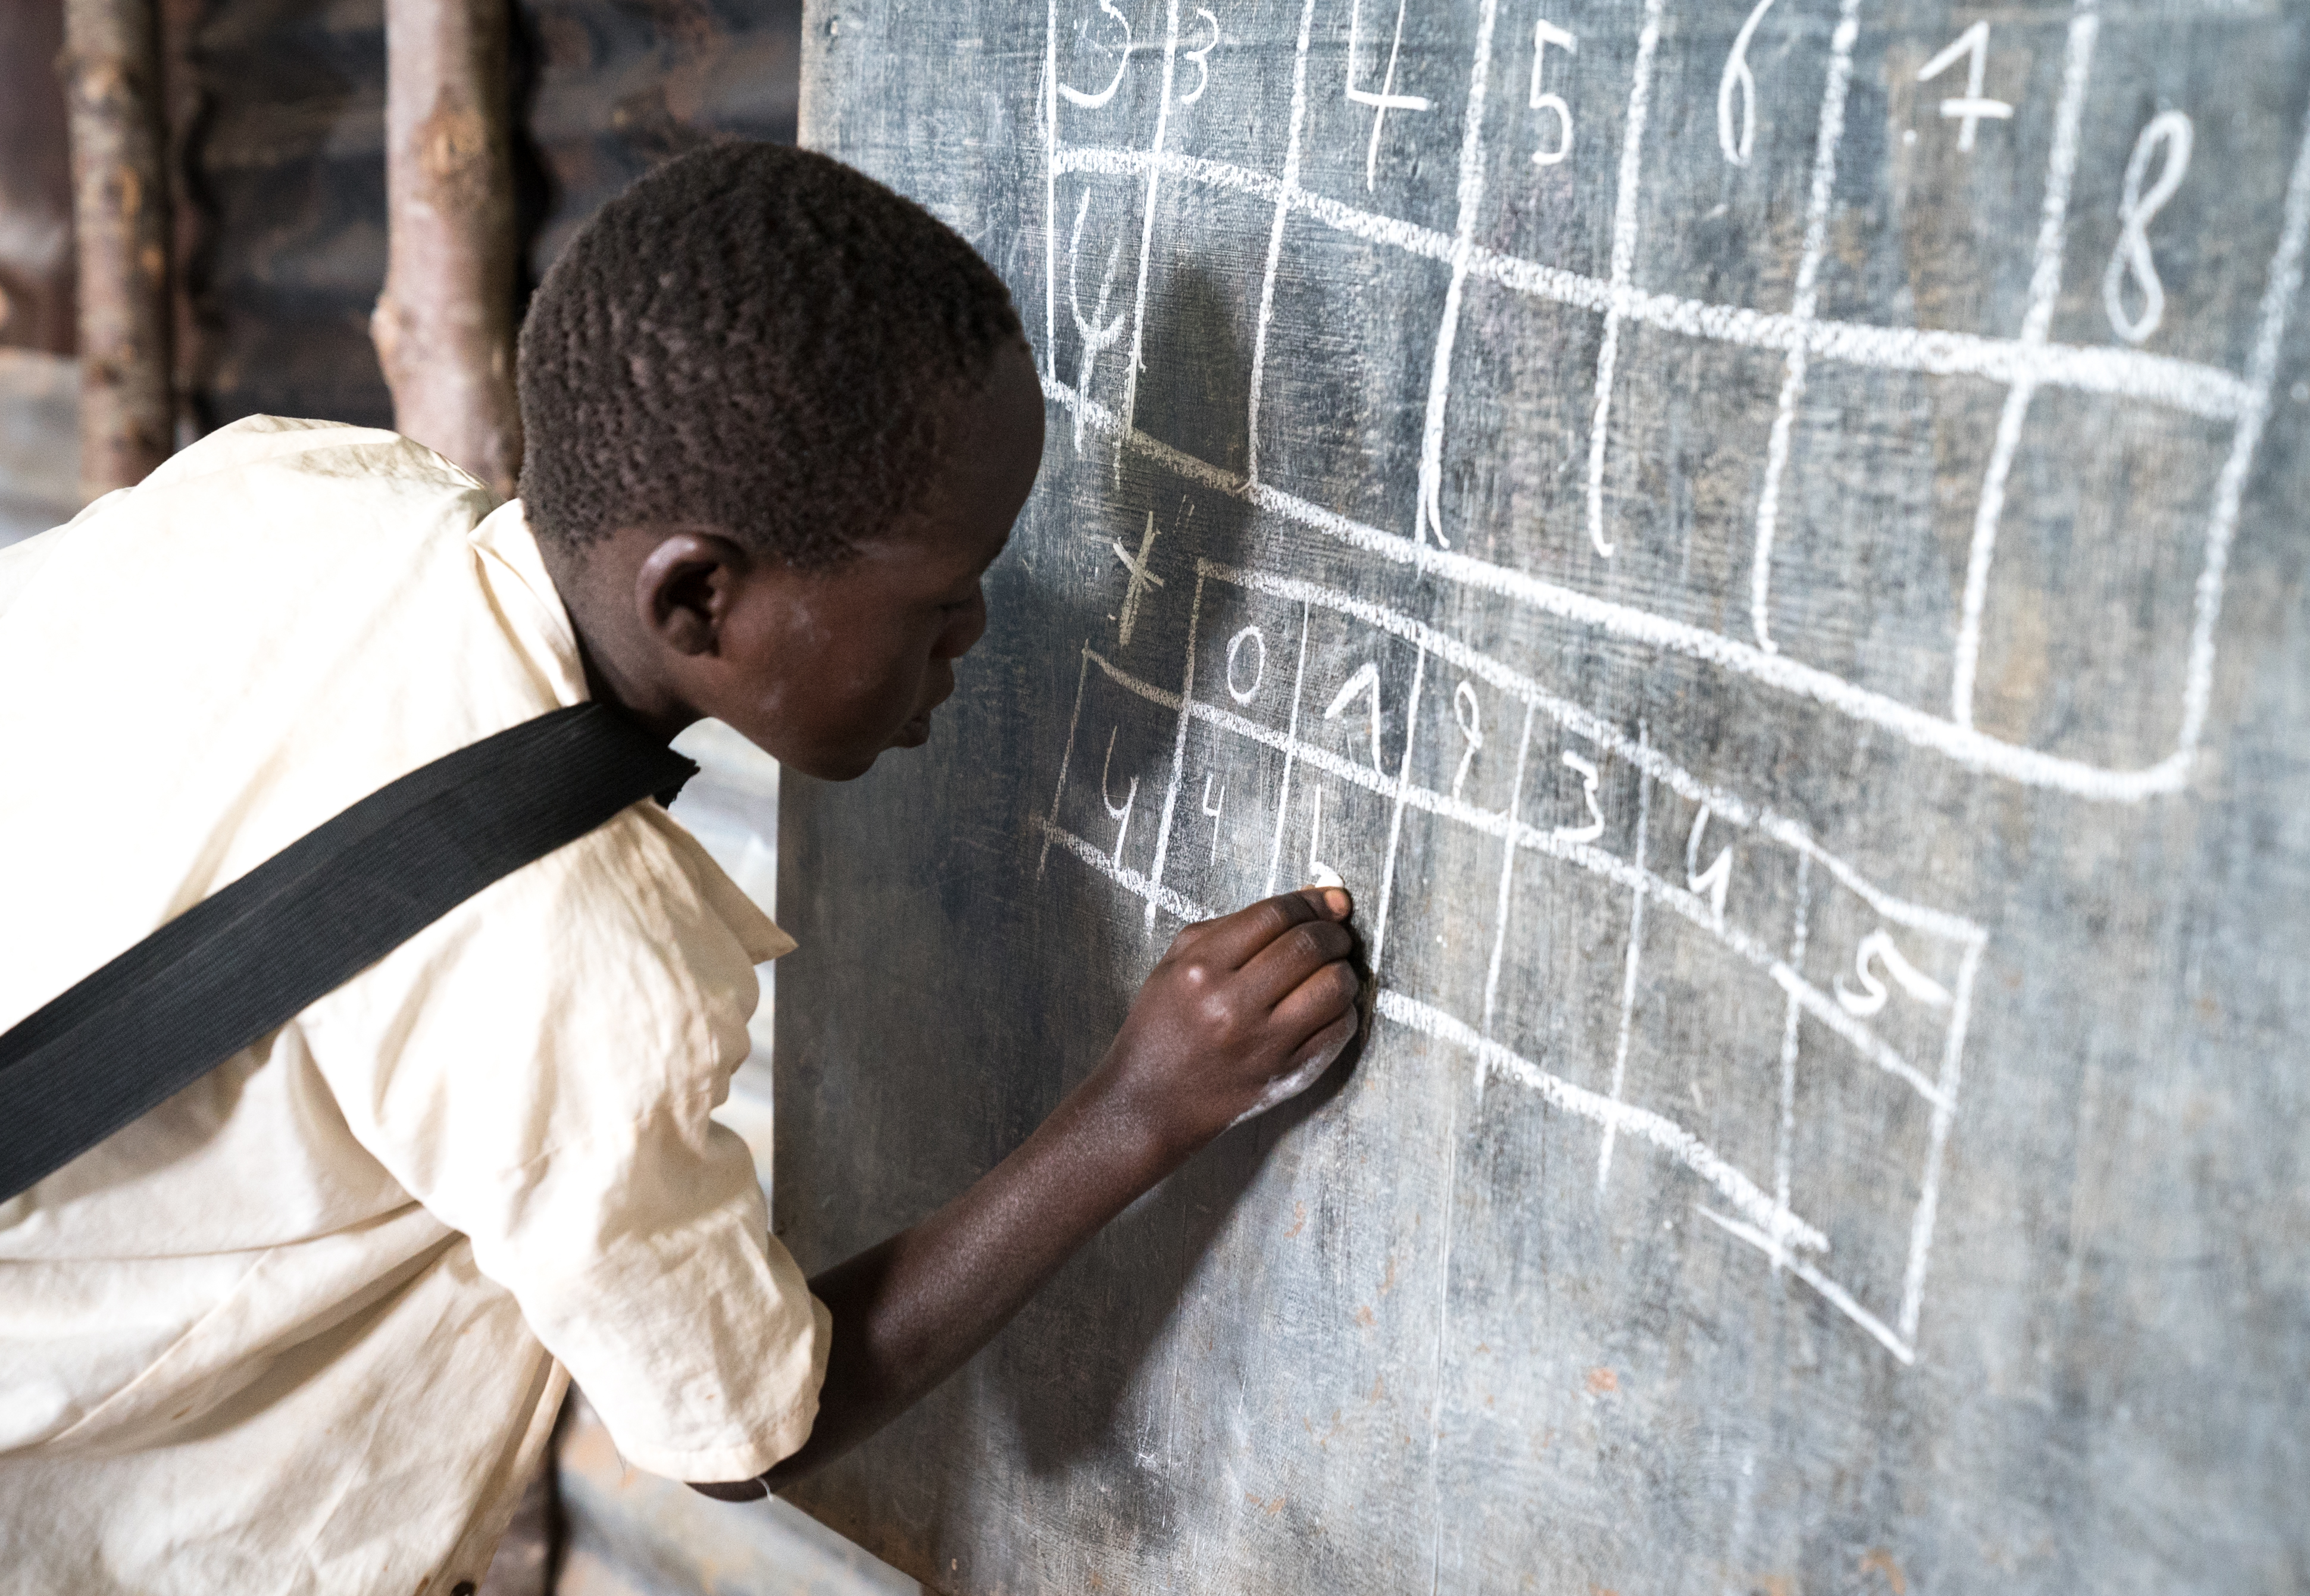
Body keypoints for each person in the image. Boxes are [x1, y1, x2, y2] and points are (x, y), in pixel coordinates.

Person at [0, 141, 1360, 1594]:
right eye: (940, 599)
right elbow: (740, 1419)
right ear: (699, 595)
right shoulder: (576, 958)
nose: (978, 635)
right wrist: (1139, 1109)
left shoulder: (303, 486)